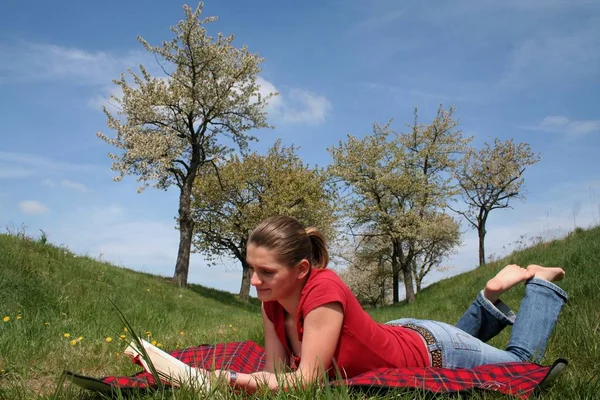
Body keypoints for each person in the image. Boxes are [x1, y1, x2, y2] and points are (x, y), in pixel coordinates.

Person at [202, 215, 568, 391]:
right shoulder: (272, 302)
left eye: (265, 271)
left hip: (433, 348)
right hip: (398, 335)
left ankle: (540, 285)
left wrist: (238, 379)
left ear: (301, 269)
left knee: (521, 366)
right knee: (465, 346)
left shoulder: (324, 289)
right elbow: (277, 373)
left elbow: (307, 381)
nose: (254, 281)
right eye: (251, 269)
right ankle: (489, 297)